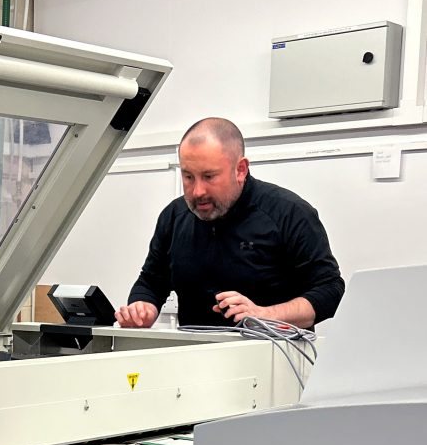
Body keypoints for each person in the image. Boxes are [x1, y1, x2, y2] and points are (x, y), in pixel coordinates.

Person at [115, 117, 344, 329]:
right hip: (192, 360)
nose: (197, 191)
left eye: (209, 176)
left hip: (273, 360)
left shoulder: (289, 213)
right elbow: (151, 281)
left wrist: (264, 314)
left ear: (240, 170)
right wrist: (142, 307)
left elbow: (329, 290)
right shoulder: (174, 216)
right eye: (188, 176)